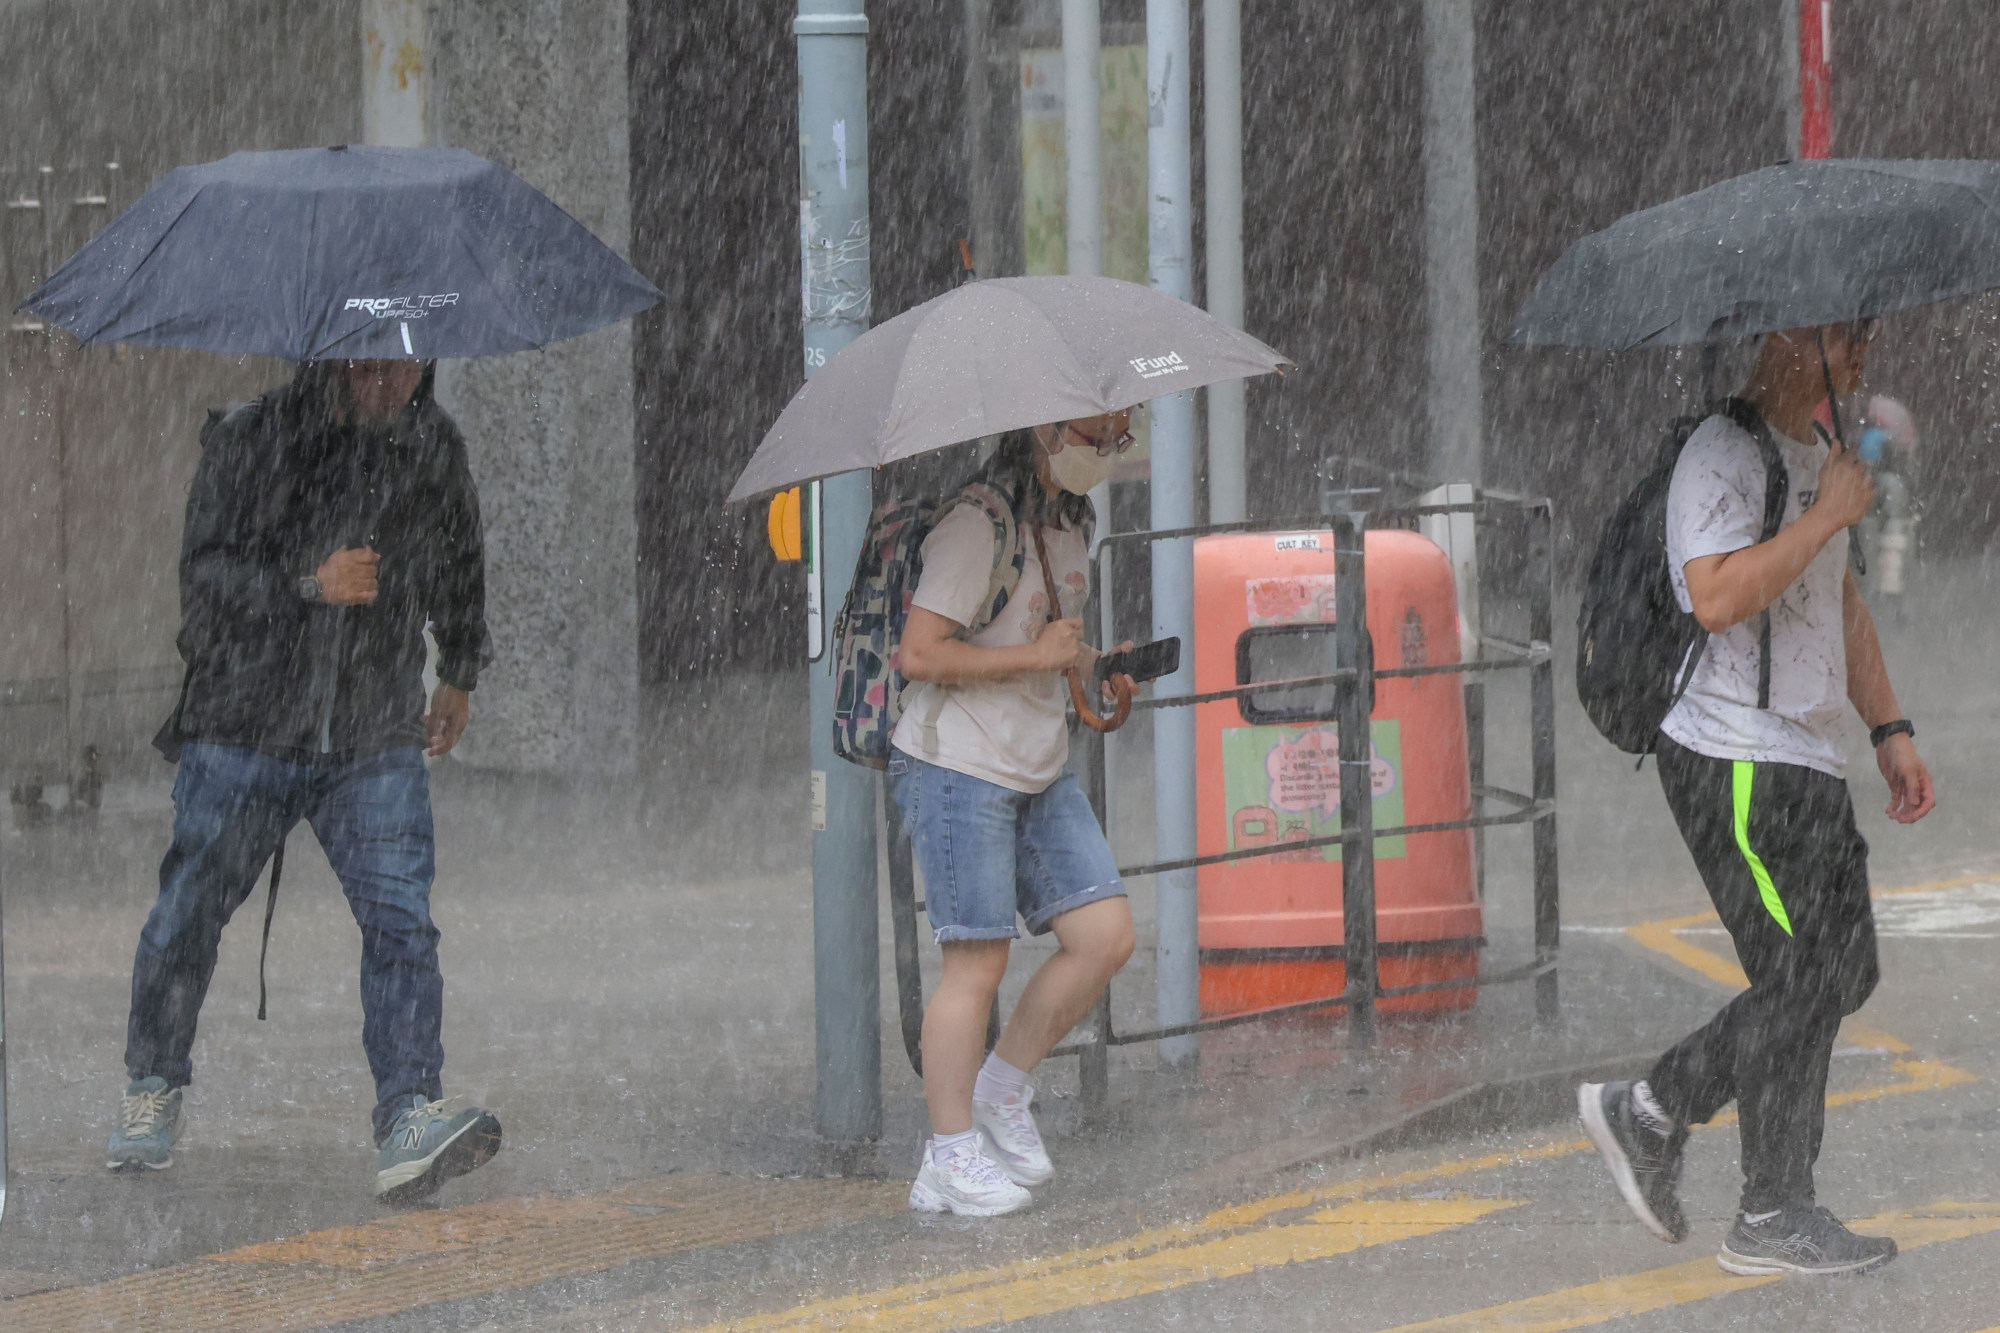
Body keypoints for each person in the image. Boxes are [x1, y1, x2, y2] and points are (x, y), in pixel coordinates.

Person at [1579, 319, 1936, 1276]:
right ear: (1783, 341)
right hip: (1733, 757)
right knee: (1800, 978)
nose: (1859, 355)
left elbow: (1839, 602)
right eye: (1840, 338)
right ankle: (1751, 1188)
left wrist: (1889, 727)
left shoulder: (1815, 451)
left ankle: (1666, 1124)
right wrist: (1822, 515)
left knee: (1841, 970)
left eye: (1865, 335)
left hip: (1806, 755)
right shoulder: (1718, 455)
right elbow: (1717, 595)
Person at [106, 358, 503, 1203]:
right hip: (245, 725)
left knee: (401, 920)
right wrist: (308, 586)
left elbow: (460, 556)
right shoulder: (252, 438)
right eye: (378, 361)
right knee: (189, 911)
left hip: (370, 731)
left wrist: (460, 666)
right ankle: (152, 1083)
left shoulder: (433, 446)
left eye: (413, 361)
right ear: (335, 353)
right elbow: (204, 591)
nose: (396, 379)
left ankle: (407, 1113)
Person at [892, 413, 1139, 1217]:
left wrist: (1100, 667)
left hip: (1037, 761)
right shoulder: (978, 521)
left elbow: (1042, 634)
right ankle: (949, 1154)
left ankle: (1001, 1086)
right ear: (1044, 426)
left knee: (1105, 936)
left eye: (1117, 440)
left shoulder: (1071, 519)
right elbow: (920, 653)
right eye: (1093, 437)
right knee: (976, 964)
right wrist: (1037, 658)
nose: (1104, 454)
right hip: (959, 763)